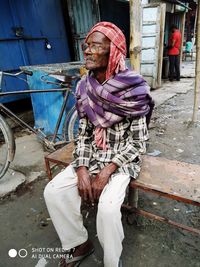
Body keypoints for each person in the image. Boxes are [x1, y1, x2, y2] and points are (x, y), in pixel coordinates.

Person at [44, 21, 154, 267]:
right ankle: (78, 243)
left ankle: (112, 262)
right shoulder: (85, 86)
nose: (87, 50)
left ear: (113, 50)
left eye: (95, 46)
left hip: (120, 161)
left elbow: (138, 143)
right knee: (53, 192)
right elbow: (83, 135)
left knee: (106, 209)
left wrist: (106, 171)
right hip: (92, 155)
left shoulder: (134, 87)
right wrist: (82, 168)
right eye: (86, 46)